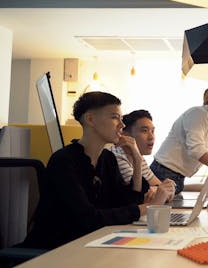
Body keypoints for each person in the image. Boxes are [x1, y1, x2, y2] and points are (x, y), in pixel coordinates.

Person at [22, 92, 172, 250]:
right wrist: (150, 207)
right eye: (115, 117)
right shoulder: (64, 161)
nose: (121, 125)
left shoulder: (107, 159)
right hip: (57, 248)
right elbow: (89, 219)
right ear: (90, 119)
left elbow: (128, 203)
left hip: (90, 243)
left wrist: (136, 158)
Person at [151, 85, 208, 194]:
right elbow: (196, 149)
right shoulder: (198, 113)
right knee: (157, 210)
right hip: (163, 173)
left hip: (178, 177)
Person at [108, 109, 175, 202]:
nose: (151, 137)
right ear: (124, 134)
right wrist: (160, 192)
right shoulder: (116, 156)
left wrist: (158, 190)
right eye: (144, 131)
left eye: (152, 131)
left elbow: (162, 189)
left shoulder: (138, 155)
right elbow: (139, 196)